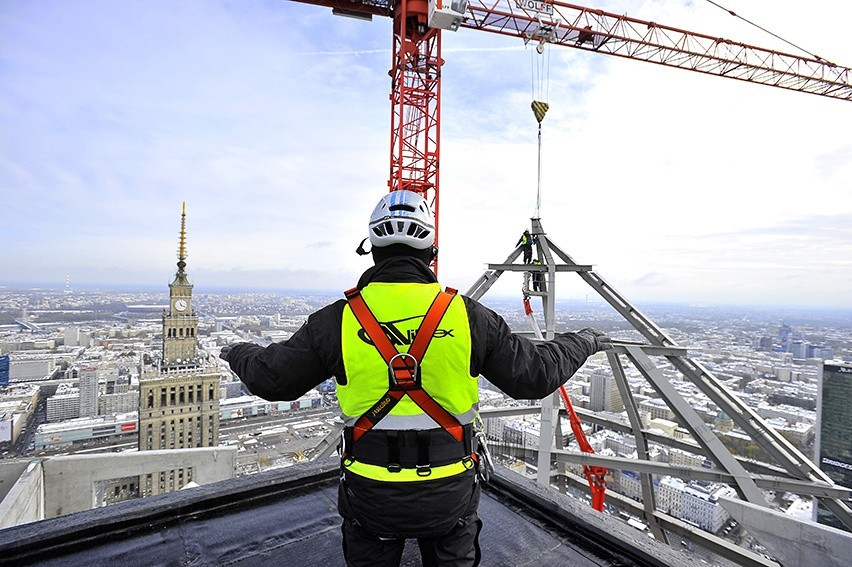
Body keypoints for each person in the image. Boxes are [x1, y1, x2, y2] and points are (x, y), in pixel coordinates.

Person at [220, 190, 612, 567]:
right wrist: (584, 341)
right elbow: (536, 376)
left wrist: (236, 351)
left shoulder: (337, 320)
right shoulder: (468, 316)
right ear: (431, 256)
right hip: (449, 491)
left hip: (371, 491)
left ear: (372, 251)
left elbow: (270, 379)